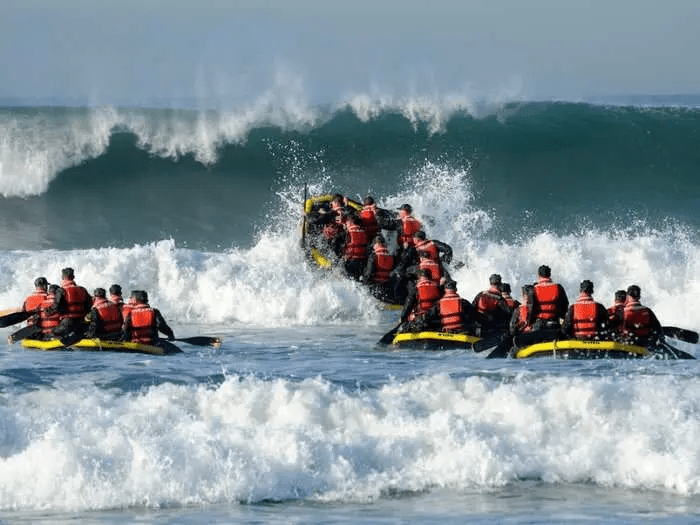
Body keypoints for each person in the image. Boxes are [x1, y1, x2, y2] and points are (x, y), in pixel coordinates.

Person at [48, 267, 92, 339]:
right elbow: (89, 306)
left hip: (67, 324)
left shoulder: (61, 290)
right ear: (73, 277)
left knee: (50, 333)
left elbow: (56, 307)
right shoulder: (82, 289)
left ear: (62, 277)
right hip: (81, 323)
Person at [531, 265, 569, 330]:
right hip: (554, 322)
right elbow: (565, 305)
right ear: (549, 275)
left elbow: (531, 308)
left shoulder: (534, 289)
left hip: (539, 323)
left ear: (539, 275)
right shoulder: (558, 287)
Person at [361, 235, 397, 303]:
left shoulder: (374, 256)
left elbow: (369, 273)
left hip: (375, 287)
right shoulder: (391, 256)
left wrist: (363, 283)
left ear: (375, 244)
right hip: (386, 287)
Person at [341, 212, 369, 280]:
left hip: (351, 260)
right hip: (362, 261)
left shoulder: (347, 232)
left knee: (349, 280)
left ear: (350, 221)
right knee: (357, 280)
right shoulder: (363, 231)